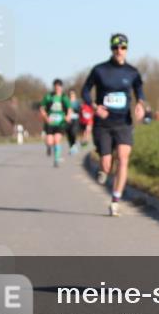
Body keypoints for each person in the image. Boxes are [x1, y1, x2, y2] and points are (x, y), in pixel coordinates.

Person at [81, 33, 146, 217]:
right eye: (116, 47)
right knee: (107, 164)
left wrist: (141, 104)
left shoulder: (132, 72)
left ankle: (115, 200)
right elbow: (85, 90)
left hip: (123, 122)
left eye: (123, 47)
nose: (119, 51)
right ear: (111, 49)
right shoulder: (99, 70)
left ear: (126, 49)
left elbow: (139, 90)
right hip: (103, 124)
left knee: (124, 159)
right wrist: (94, 106)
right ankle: (103, 169)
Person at [39, 79, 72, 168]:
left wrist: (68, 116)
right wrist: (45, 117)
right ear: (54, 87)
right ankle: (49, 147)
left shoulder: (64, 98)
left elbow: (69, 109)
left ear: (61, 87)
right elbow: (42, 108)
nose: (57, 88)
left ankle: (56, 159)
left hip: (60, 123)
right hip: (50, 123)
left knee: (57, 140)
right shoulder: (49, 97)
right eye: (56, 86)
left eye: (59, 86)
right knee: (50, 141)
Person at [65, 88, 82, 154]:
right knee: (69, 134)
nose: (71, 95)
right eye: (70, 94)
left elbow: (80, 110)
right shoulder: (66, 102)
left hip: (75, 119)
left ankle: (74, 144)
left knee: (73, 132)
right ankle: (72, 146)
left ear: (74, 94)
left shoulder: (77, 102)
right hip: (68, 120)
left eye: (72, 93)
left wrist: (74, 110)